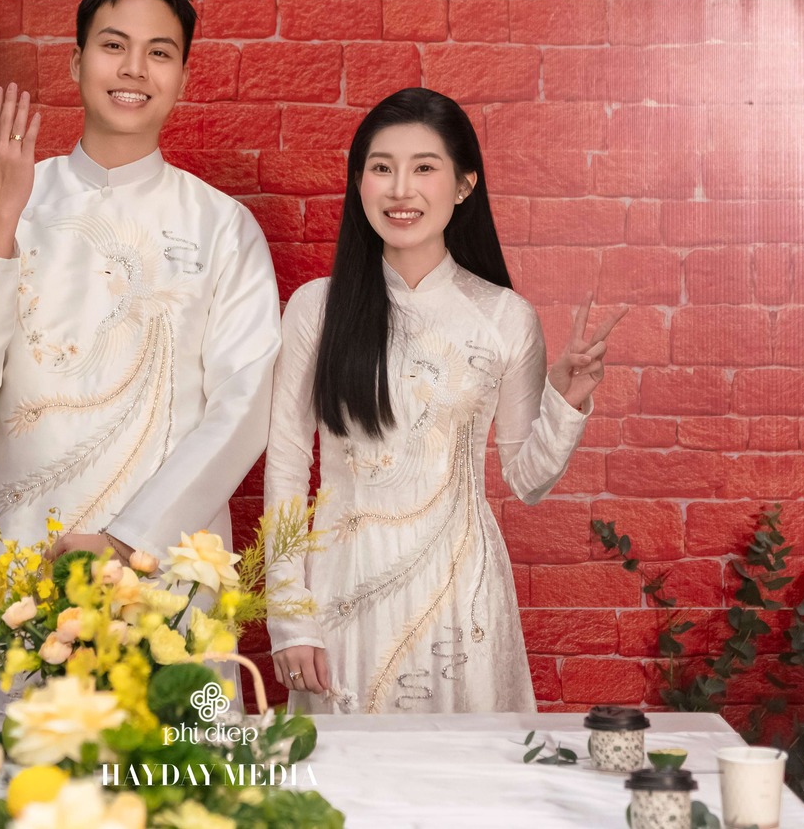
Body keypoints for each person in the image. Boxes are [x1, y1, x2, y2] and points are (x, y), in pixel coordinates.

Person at [0, 0, 281, 710]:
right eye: (114, 46)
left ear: (183, 76)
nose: (134, 69)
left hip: (165, 566)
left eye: (159, 52)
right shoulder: (0, 197)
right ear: (77, 61)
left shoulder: (223, 226)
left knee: (176, 769)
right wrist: (3, 215)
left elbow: (242, 411)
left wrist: (126, 541)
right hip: (20, 566)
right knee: (18, 768)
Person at [263, 87, 620, 714]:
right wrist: (289, 615)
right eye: (382, 167)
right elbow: (288, 464)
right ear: (359, 182)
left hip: (462, 590)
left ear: (463, 185)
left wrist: (566, 402)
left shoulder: (504, 316)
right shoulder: (317, 309)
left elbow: (526, 480)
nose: (401, 189)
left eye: (424, 167)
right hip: (346, 583)